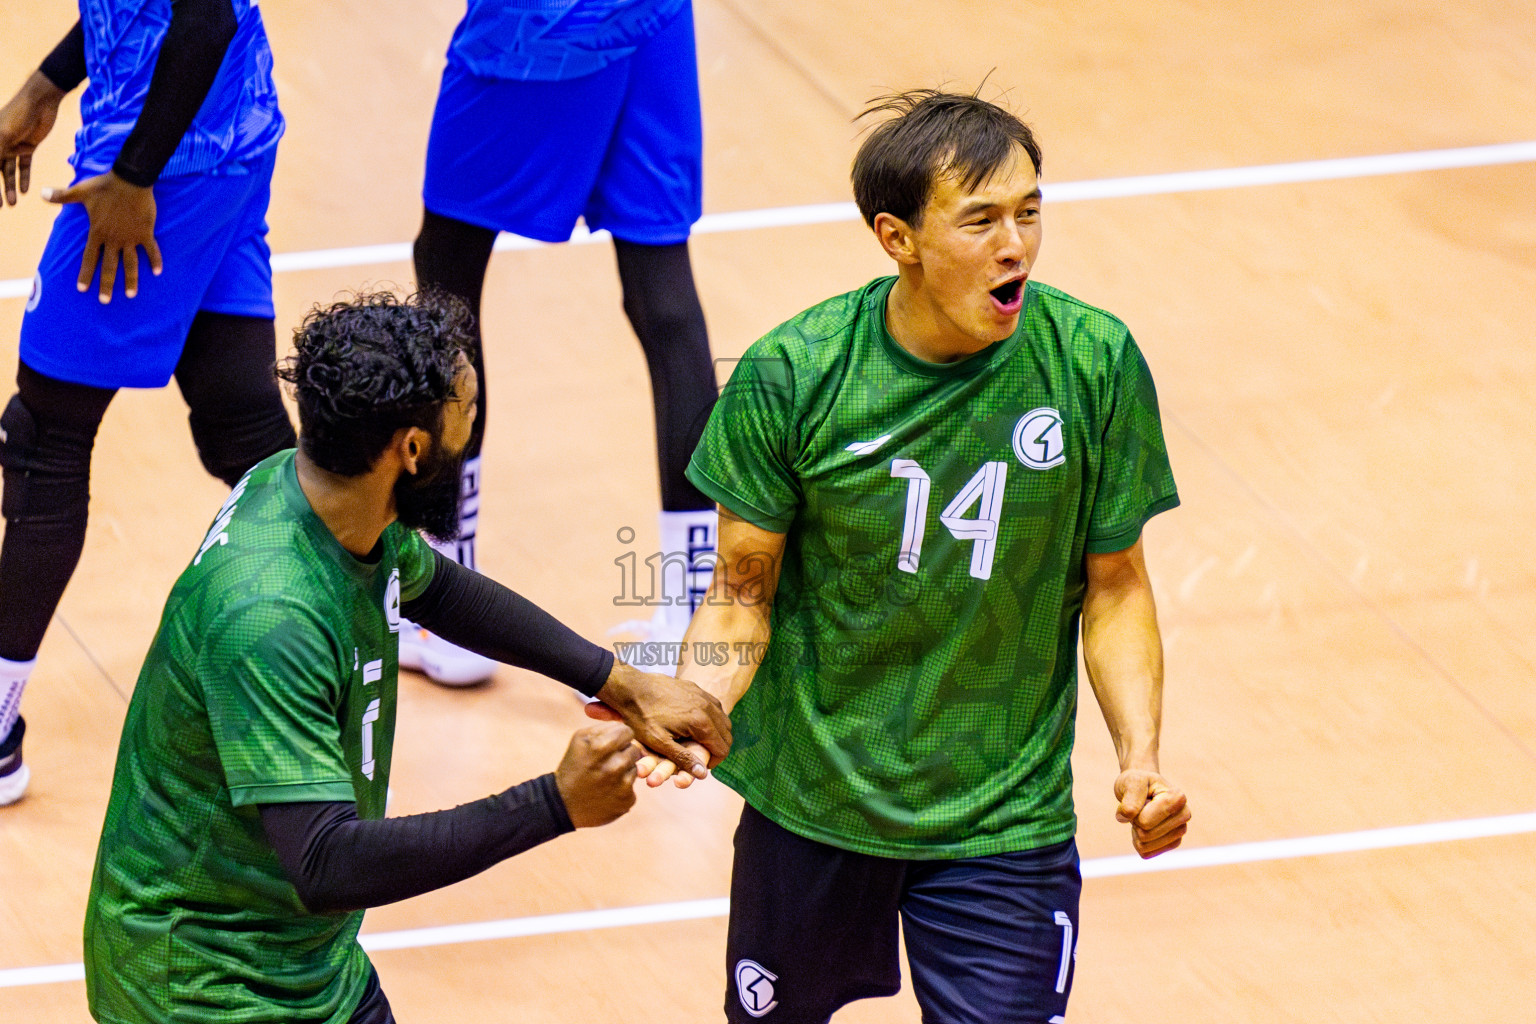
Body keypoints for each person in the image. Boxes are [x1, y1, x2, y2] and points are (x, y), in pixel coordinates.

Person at [665, 90, 1192, 1023]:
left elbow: (1115, 585)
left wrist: (1140, 756)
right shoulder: (797, 373)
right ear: (896, 238)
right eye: (981, 220)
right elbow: (743, 591)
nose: (1016, 246)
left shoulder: (1094, 363)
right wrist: (696, 701)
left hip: (1002, 818)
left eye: (1030, 212)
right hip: (812, 802)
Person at [83, 290, 731, 1024]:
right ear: (413, 449)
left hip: (308, 961)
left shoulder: (319, 493)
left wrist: (618, 681)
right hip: (204, 988)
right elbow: (324, 861)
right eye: (467, 417)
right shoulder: (270, 616)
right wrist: (553, 803)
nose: (475, 435)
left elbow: (439, 589)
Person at [0, 0, 296, 806]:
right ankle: (372, 608)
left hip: (164, 164)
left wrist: (133, 178)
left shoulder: (146, 169)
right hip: (232, 132)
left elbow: (201, 19)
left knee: (46, 435)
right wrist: (52, 79)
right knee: (241, 426)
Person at [405, 0, 719, 685]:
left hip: (545, 24)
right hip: (653, 18)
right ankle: (694, 613)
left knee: (448, 268)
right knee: (662, 296)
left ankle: (447, 607)